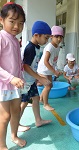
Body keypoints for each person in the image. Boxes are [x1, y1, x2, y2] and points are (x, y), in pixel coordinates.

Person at [0, 2, 26, 149]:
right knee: (4, 117)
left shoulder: (15, 40)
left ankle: (14, 135)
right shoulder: (1, 38)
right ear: (1, 20)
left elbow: (17, 62)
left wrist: (20, 77)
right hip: (4, 84)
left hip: (16, 84)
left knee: (16, 111)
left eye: (21, 23)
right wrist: (11, 78)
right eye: (12, 21)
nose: (17, 26)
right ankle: (2, 145)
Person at [19, 21, 53, 132]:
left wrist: (36, 78)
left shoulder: (36, 47)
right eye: (46, 37)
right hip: (25, 81)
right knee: (23, 103)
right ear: (36, 35)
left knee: (36, 98)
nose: (47, 40)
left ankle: (38, 120)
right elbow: (26, 66)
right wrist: (40, 78)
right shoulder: (30, 48)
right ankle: (16, 124)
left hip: (31, 79)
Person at [37, 26, 64, 111]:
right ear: (51, 36)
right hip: (43, 69)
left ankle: (41, 99)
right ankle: (46, 104)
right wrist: (54, 71)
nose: (59, 39)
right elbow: (46, 61)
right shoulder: (50, 47)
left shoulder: (58, 47)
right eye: (56, 36)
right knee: (48, 86)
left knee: (50, 85)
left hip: (48, 70)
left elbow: (54, 61)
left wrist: (56, 70)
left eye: (61, 37)